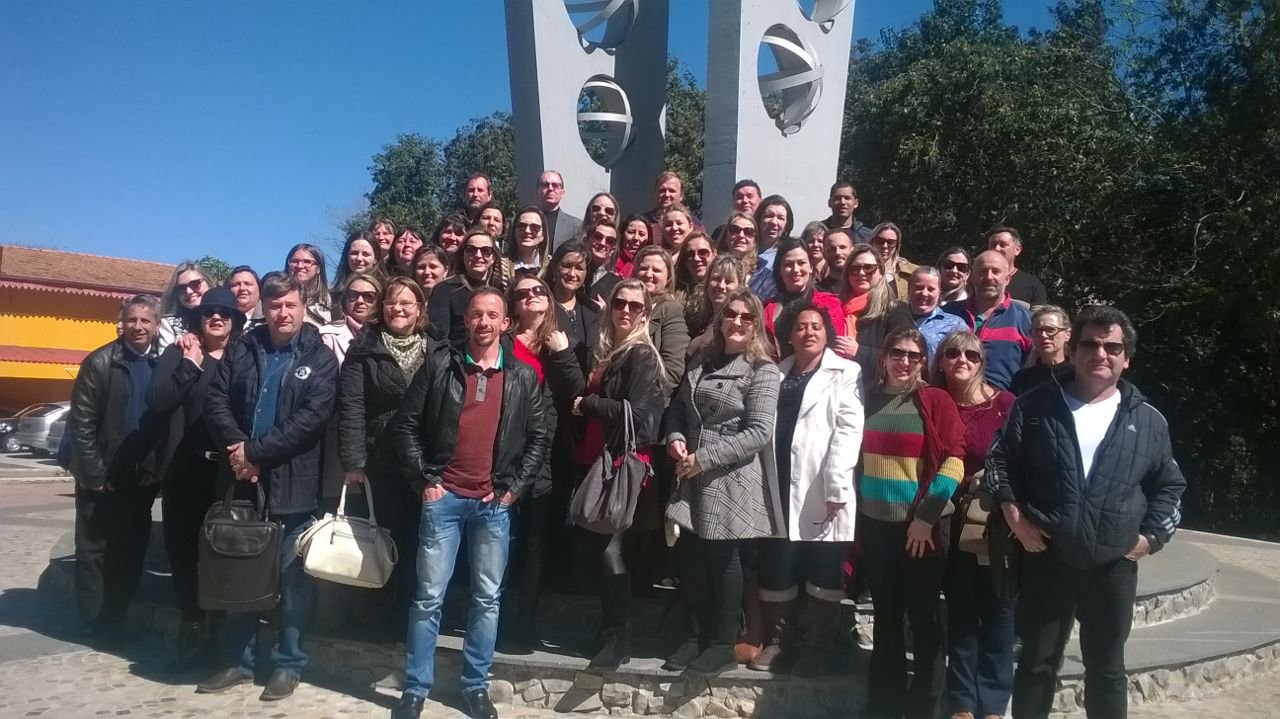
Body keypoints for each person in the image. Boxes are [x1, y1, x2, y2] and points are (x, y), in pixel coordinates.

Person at [986, 305, 1186, 719]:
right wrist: (1014, 517)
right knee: (1037, 665)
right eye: (1090, 344)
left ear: (1126, 358)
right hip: (1047, 556)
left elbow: (1169, 487)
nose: (1101, 353)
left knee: (1107, 669)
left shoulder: (1148, 421)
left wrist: (1150, 539)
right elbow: (999, 462)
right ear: (1072, 350)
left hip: (1113, 565)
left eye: (1112, 347)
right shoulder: (1034, 406)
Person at [389, 288, 550, 719]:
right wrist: (426, 480)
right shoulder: (440, 364)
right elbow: (405, 426)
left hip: (493, 504)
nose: (483, 322)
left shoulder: (522, 376)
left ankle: (475, 686)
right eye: (476, 314)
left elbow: (539, 437)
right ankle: (415, 689)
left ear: (505, 323)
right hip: (443, 498)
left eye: (492, 315)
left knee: (487, 598)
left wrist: (514, 488)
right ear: (467, 321)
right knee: (427, 598)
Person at [199, 272, 339, 701]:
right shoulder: (244, 348)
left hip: (292, 485)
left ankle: (288, 663)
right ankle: (238, 661)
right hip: (241, 483)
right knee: (241, 575)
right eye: (275, 306)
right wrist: (238, 449)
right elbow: (215, 400)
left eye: (290, 305)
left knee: (292, 582)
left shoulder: (320, 358)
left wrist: (256, 453)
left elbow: (311, 420)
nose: (282, 313)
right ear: (264, 309)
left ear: (303, 307)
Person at [662, 289, 782, 675]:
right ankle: (693, 638)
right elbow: (679, 407)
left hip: (729, 477)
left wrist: (706, 458)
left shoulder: (763, 370)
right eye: (731, 314)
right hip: (690, 471)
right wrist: (675, 438)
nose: (738, 322)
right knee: (692, 559)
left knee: (724, 561)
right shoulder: (703, 359)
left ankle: (720, 643)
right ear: (721, 319)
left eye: (747, 317)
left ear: (756, 325)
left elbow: (760, 431)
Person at [858, 327, 965, 719]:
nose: (904, 362)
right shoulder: (865, 399)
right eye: (897, 354)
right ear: (883, 357)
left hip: (921, 529)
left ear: (923, 361)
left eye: (913, 356)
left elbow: (955, 460)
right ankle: (883, 707)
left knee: (923, 619)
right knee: (886, 618)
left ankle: (926, 708)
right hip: (876, 526)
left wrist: (926, 517)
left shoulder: (934, 400)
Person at [750, 304, 863, 675]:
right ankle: (779, 641)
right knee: (779, 560)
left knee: (823, 564)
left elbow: (848, 430)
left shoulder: (846, 371)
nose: (809, 332)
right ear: (789, 335)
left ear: (827, 334)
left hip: (823, 485)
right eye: (801, 326)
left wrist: (836, 484)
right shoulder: (775, 373)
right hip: (779, 480)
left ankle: (817, 644)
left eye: (816, 326)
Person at [568, 280, 666, 671]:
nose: (626, 310)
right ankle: (609, 631)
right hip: (601, 459)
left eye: (635, 307)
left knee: (612, 550)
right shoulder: (611, 353)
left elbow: (637, 414)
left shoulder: (641, 354)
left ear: (645, 314)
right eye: (619, 303)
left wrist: (588, 403)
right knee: (601, 549)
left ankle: (619, 638)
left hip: (625, 463)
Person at [146, 287, 245, 673]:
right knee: (183, 556)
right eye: (209, 313)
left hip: (225, 475)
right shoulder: (179, 352)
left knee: (221, 558)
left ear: (235, 320)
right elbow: (157, 401)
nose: (216, 318)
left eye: (224, 312)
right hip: (183, 471)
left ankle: (219, 639)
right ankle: (191, 630)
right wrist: (189, 363)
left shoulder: (244, 356)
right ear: (197, 319)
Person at [338, 276, 434, 650]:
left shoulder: (435, 348)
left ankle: (407, 622)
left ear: (419, 309)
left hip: (423, 463)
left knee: (417, 544)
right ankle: (374, 619)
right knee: (379, 541)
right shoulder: (364, 349)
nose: (398, 309)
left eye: (407, 303)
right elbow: (352, 407)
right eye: (392, 302)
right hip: (380, 460)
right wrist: (353, 462)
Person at [68, 294, 164, 648]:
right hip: (101, 478)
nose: (139, 327)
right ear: (121, 323)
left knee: (129, 552)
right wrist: (94, 476)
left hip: (139, 480)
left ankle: (117, 619)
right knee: (93, 551)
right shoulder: (100, 362)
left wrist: (154, 470)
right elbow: (82, 424)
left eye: (146, 321)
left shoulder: (161, 364)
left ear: (156, 326)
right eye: (132, 320)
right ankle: (94, 625)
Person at [932, 332, 1016, 719]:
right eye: (952, 353)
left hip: (997, 524)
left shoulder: (1006, 406)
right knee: (962, 613)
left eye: (970, 354)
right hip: (951, 524)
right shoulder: (934, 402)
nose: (961, 360)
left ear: (982, 361)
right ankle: (963, 702)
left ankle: (994, 703)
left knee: (999, 613)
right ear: (941, 361)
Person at [502, 275, 571, 652]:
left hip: (544, 453)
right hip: (503, 451)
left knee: (534, 542)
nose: (531, 296)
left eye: (539, 291)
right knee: (496, 537)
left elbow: (575, 393)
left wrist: (562, 354)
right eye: (522, 292)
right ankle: (491, 617)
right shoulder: (504, 343)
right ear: (513, 304)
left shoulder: (558, 343)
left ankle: (524, 623)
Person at [318, 274, 380, 508]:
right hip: (340, 431)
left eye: (369, 296)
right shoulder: (327, 335)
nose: (360, 301)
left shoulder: (386, 333)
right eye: (353, 295)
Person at [941, 250, 1032, 391]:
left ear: (1007, 279)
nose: (989, 277)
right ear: (972, 277)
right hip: (951, 404)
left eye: (996, 272)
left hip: (1004, 407)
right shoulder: (948, 313)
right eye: (983, 271)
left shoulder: (1024, 318)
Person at [836, 244, 915, 382]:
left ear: (881, 273)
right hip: (838, 386)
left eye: (868, 268)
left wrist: (859, 352)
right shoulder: (836, 308)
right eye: (854, 268)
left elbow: (908, 357)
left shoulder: (895, 309)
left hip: (876, 391)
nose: (861, 273)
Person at [428, 228, 514, 344]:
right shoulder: (444, 290)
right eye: (470, 250)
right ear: (463, 255)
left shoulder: (501, 290)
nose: (478, 255)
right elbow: (437, 339)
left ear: (493, 257)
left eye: (486, 251)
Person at [763, 238, 846, 356]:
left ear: (811, 267)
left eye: (801, 263)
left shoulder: (829, 303)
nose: (796, 270)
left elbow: (837, 347)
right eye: (788, 264)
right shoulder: (767, 309)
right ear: (779, 271)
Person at [632, 245, 689, 395]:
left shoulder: (672, 310)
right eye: (644, 268)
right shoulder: (624, 304)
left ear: (668, 277)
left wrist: (643, 398)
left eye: (657, 270)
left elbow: (672, 370)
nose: (648, 274)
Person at [543, 241, 599, 361]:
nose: (572, 274)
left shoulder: (592, 310)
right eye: (567, 266)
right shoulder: (542, 307)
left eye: (579, 268)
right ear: (554, 268)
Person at [686, 255, 745, 359]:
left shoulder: (737, 325)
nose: (721, 286)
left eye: (728, 281)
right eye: (716, 279)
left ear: (739, 286)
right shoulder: (698, 318)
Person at [908, 266, 970, 362]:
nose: (924, 293)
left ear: (939, 293)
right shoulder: (893, 317)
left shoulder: (955, 325)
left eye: (931, 289)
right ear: (909, 289)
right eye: (919, 287)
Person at [1010, 305, 1072, 396]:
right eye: (1037, 331)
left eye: (1051, 330)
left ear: (1067, 335)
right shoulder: (1022, 379)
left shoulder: (1078, 374)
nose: (1043, 335)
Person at [719, 211, 776, 301]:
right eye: (735, 230)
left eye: (748, 232)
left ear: (755, 240)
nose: (741, 235)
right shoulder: (713, 268)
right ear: (726, 236)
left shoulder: (765, 275)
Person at [158, 262, 212, 351]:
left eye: (195, 283)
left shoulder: (227, 318)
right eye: (181, 288)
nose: (188, 291)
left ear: (209, 284)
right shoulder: (169, 325)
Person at [988, 227, 1048, 306]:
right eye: (993, 245)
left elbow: (1039, 317)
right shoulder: (977, 280)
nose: (996, 248)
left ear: (1017, 250)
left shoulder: (1031, 285)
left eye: (1002, 245)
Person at [644, 171, 704, 241]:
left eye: (672, 191)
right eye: (662, 190)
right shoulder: (643, 223)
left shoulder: (694, 224)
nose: (666, 194)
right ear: (656, 194)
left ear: (681, 195)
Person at [673, 231, 717, 321]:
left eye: (703, 252)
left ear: (714, 253)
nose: (696, 258)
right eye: (690, 254)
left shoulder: (723, 288)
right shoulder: (673, 293)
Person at [285, 243, 332, 326]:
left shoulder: (332, 300)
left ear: (318, 269)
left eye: (307, 262)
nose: (300, 266)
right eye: (295, 261)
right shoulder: (273, 296)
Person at [868, 222, 918, 300]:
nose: (885, 246)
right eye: (880, 241)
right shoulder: (861, 269)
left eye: (891, 242)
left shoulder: (913, 272)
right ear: (872, 242)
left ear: (897, 246)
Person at [537, 170, 582, 248]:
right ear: (538, 191)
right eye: (545, 185)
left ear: (562, 193)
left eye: (555, 185)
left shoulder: (577, 226)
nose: (550, 189)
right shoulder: (522, 223)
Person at [583, 218, 623, 307]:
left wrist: (606, 312)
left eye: (609, 241)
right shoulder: (572, 269)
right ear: (588, 239)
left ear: (612, 250)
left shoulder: (616, 284)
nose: (602, 243)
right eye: (598, 237)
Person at [754, 195, 794, 272]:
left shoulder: (788, 254)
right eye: (768, 216)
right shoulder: (745, 249)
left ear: (786, 225)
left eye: (780, 218)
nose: (773, 222)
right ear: (759, 219)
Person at [506, 206, 550, 273]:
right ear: (514, 232)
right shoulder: (500, 266)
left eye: (535, 227)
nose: (527, 231)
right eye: (521, 226)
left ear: (543, 235)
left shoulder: (551, 267)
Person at [817, 228, 855, 294]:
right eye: (832, 249)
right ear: (824, 253)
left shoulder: (862, 287)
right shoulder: (817, 292)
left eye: (842, 247)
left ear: (852, 250)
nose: (838, 252)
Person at [616, 214, 651, 279]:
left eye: (642, 234)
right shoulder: (610, 260)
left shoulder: (650, 266)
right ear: (622, 234)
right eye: (631, 232)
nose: (636, 238)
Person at [801, 221, 829, 287]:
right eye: (811, 241)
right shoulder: (801, 270)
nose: (815, 245)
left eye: (820, 241)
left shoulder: (833, 268)